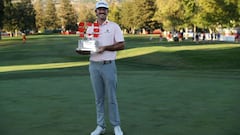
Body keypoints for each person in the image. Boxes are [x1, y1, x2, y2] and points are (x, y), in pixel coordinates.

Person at [76, 0, 125, 135]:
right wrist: (81, 51)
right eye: (100, 9)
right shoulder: (90, 28)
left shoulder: (114, 26)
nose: (102, 11)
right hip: (94, 66)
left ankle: (116, 126)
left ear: (107, 11)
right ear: (96, 12)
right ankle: (100, 126)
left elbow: (121, 45)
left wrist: (105, 48)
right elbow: (89, 47)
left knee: (112, 97)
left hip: (108, 65)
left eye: (104, 9)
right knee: (99, 98)